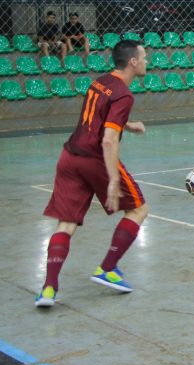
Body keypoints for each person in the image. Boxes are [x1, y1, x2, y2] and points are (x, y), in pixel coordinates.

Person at [35, 40, 149, 308]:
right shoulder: (124, 94)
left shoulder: (100, 81)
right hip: (94, 159)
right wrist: (112, 179)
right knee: (138, 210)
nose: (147, 61)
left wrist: (127, 125)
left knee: (66, 224)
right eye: (144, 57)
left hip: (69, 157)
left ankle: (48, 290)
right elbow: (108, 140)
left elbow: (97, 118)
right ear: (132, 62)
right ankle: (108, 268)